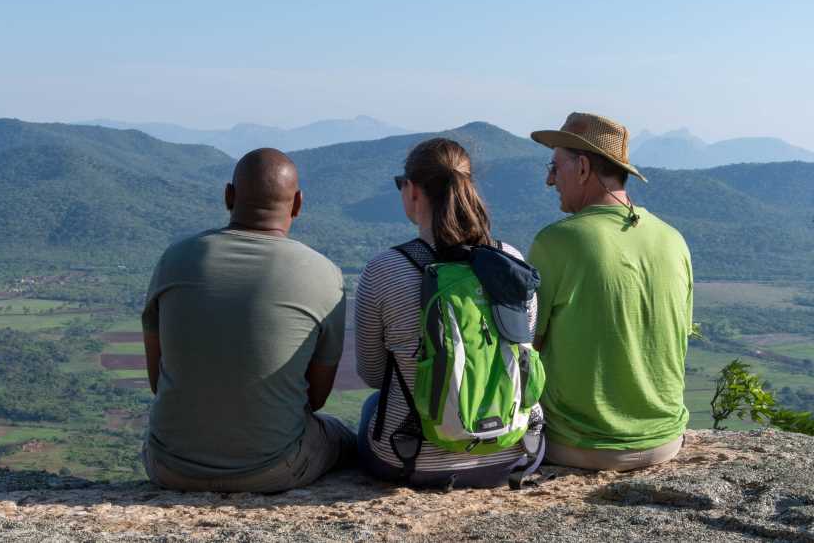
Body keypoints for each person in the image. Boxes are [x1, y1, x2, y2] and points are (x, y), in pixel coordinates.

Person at [140, 148, 355, 492]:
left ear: (228, 196)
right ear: (298, 204)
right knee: (343, 436)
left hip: (168, 467)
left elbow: (157, 381)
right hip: (272, 470)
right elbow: (314, 399)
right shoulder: (324, 275)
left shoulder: (175, 260)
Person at [355, 137, 543, 488]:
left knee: (371, 406)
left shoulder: (385, 270)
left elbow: (372, 373)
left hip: (410, 459)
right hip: (515, 453)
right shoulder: (512, 262)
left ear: (412, 191)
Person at [528, 112, 693, 471]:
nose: (549, 179)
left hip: (580, 444)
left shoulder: (557, 241)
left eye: (555, 167)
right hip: (666, 440)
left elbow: (526, 350)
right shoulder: (673, 240)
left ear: (583, 168)